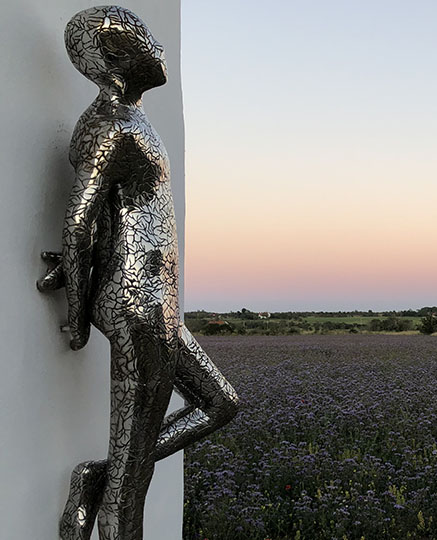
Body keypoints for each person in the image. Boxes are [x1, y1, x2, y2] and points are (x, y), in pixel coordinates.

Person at [37, 6, 239, 540]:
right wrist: (77, 317)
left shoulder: (135, 121)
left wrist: (91, 265)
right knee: (133, 487)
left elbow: (113, 216)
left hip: (158, 303)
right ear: (110, 59)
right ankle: (105, 488)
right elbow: (78, 224)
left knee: (220, 403)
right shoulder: (106, 127)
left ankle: (95, 477)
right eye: (140, 37)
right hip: (138, 307)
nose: (157, 44)